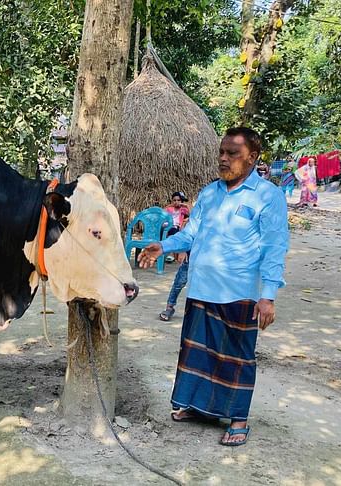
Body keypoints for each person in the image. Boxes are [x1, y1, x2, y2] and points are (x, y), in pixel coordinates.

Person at [137, 127, 289, 447]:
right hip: (201, 289)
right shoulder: (209, 193)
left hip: (239, 292)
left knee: (236, 358)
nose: (223, 158)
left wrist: (269, 296)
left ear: (252, 157)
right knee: (200, 356)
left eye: (232, 153)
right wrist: (161, 246)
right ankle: (201, 409)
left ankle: (238, 419)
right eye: (221, 152)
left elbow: (274, 247)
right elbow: (190, 235)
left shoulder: (267, 196)